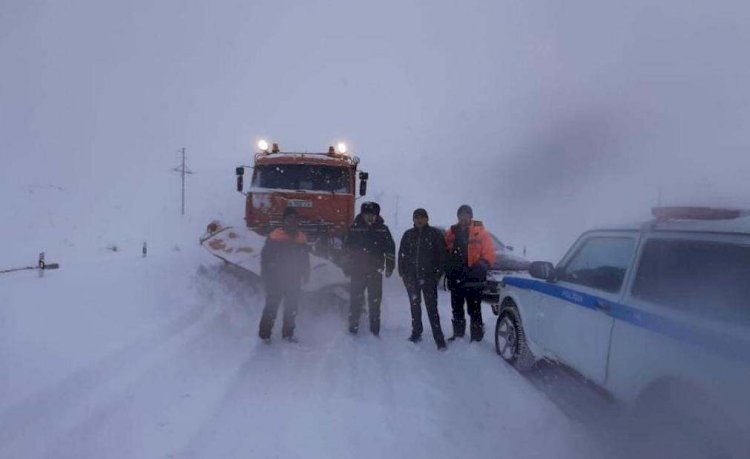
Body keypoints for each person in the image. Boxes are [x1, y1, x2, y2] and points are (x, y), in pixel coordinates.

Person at [444, 205, 496, 342]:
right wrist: (447, 269)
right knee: (457, 309)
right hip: (456, 278)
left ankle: (477, 338)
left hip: (474, 279)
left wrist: (482, 265)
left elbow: (490, 253)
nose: (463, 217)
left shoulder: (481, 232)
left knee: (474, 310)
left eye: (466, 214)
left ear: (471, 216)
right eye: (461, 214)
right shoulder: (451, 232)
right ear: (458, 216)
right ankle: (458, 335)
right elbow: (444, 252)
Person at [258, 207, 310, 342]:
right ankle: (264, 335)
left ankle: (288, 334)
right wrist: (266, 274)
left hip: (294, 279)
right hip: (276, 279)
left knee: (291, 308)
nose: (292, 222)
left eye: (295, 219)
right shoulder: (275, 236)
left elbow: (305, 258)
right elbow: (265, 257)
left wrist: (306, 272)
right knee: (271, 307)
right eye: (289, 219)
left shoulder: (301, 237)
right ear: (284, 221)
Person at [398, 208, 447, 350]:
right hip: (411, 279)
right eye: (416, 217)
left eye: (422, 217)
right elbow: (402, 255)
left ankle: (439, 338)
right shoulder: (408, 235)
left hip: (429, 279)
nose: (419, 220)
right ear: (413, 219)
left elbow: (442, 257)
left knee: (432, 309)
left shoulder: (435, 235)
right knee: (415, 307)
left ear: (427, 219)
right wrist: (403, 273)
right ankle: (416, 333)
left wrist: (436, 275)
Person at [344, 201, 396, 336]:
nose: (370, 217)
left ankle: (375, 329)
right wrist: (347, 266)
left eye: (373, 214)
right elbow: (346, 249)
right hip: (357, 271)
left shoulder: (383, 229)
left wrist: (390, 266)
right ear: (362, 214)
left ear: (377, 215)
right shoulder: (354, 228)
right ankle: (353, 327)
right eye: (367, 214)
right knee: (355, 300)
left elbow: (390, 249)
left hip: (375, 271)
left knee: (375, 301)